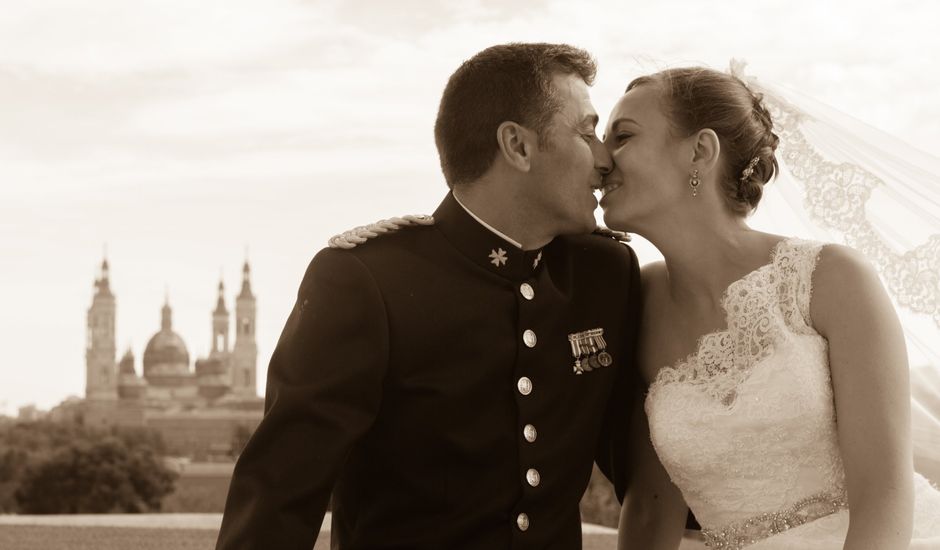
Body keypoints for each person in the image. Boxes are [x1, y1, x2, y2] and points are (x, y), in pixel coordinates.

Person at [215, 43, 643, 550]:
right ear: (518, 146)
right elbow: (278, 502)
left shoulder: (604, 274)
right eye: (586, 131)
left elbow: (642, 462)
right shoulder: (365, 280)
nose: (603, 159)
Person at [600, 67, 940, 549]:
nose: (600, 158)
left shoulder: (832, 279)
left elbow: (884, 498)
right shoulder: (637, 302)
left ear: (700, 150)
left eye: (623, 137)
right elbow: (652, 511)